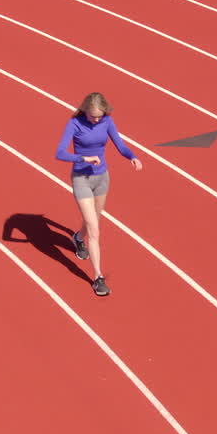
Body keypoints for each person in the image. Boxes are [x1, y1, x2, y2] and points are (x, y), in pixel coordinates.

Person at [55, 93, 143, 296]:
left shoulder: (107, 121)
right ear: (85, 110)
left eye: (99, 116)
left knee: (92, 220)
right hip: (81, 180)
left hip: (102, 178)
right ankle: (98, 278)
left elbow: (119, 145)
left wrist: (132, 157)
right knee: (95, 229)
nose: (96, 120)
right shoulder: (74, 124)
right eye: (93, 116)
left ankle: (78, 238)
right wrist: (83, 158)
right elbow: (60, 153)